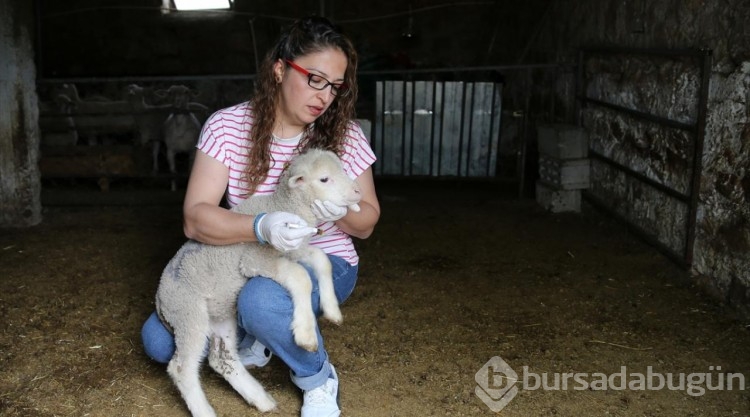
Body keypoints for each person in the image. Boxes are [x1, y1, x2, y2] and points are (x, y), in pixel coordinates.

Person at [140, 16, 380, 417]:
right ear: (281, 69)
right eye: (315, 79)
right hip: (241, 259)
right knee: (159, 342)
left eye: (336, 87)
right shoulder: (227, 126)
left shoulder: (345, 135)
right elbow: (195, 218)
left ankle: (317, 378)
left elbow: (368, 221)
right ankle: (261, 331)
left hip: (322, 259)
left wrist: (334, 210)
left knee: (260, 301)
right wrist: (259, 225)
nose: (325, 96)